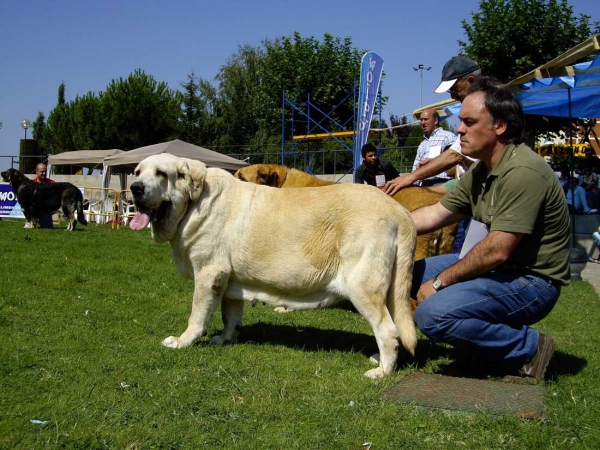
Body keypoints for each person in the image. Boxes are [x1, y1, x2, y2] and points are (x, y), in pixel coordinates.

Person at [410, 77, 570, 380]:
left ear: (499, 126)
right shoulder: (483, 170)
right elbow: (434, 214)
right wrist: (381, 225)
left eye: (469, 122)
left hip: (533, 282)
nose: (459, 130)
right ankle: (478, 347)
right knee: (405, 273)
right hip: (503, 271)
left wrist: (440, 283)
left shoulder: (522, 171)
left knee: (432, 314)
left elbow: (497, 250)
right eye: (460, 122)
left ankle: (529, 348)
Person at [384, 55, 482, 196]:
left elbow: (455, 155)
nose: (453, 97)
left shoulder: (488, 108)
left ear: (471, 81)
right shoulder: (423, 143)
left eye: (454, 89)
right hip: (465, 182)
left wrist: (411, 177)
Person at [410, 108, 457, 187]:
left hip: (442, 183)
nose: (423, 122)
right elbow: (415, 167)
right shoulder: (422, 144)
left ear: (435, 121)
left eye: (426, 119)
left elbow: (454, 162)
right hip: (423, 184)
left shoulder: (448, 137)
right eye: (421, 120)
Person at [32, 163, 55, 228]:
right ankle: (30, 221)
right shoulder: (32, 183)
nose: (44, 173)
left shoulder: (52, 183)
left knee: (47, 227)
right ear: (36, 171)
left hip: (46, 209)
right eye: (42, 172)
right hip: (34, 209)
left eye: (45, 171)